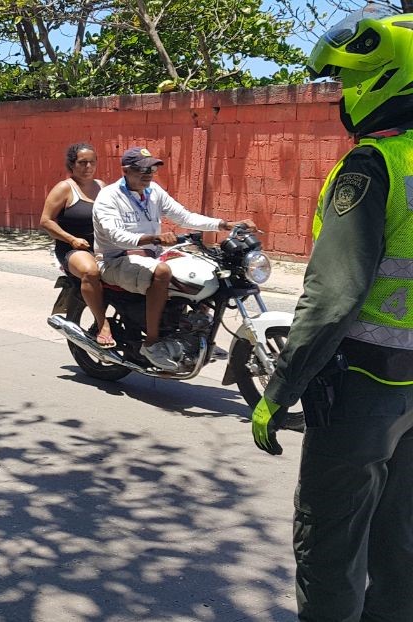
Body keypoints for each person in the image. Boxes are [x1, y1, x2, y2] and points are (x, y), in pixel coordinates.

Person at [251, 6, 413, 621]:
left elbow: (332, 298)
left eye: (351, 81)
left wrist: (279, 387)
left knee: (331, 548)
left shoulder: (375, 165)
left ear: (388, 78)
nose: (344, 95)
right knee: (401, 545)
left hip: (366, 387)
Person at [92, 147, 253, 371]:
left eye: (152, 169)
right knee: (162, 272)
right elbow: (115, 235)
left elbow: (184, 216)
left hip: (152, 254)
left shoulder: (153, 191)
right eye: (141, 169)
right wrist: (154, 238)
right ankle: (151, 343)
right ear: (126, 170)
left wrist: (223, 224)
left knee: (207, 270)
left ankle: (198, 333)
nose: (148, 174)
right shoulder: (109, 196)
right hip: (115, 258)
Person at [40, 143, 111, 347]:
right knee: (91, 272)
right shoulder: (65, 188)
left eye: (92, 162)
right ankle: (102, 323)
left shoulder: (102, 186)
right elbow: (46, 221)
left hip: (101, 246)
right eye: (82, 162)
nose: (88, 167)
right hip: (72, 248)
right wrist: (71, 239)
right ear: (72, 164)